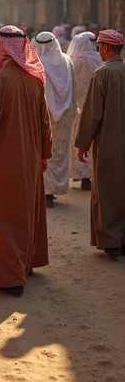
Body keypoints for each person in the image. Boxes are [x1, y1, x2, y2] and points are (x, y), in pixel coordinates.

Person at [0, 26, 52, 296]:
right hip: (29, 158)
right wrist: (45, 154)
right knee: (26, 211)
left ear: (2, 47)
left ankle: (10, 277)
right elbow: (44, 123)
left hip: (1, 161)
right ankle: (26, 265)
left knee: (2, 216)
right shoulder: (35, 80)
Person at [75, 29, 125, 260]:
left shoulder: (102, 74)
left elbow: (92, 114)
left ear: (105, 48)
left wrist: (82, 143)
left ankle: (111, 241)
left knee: (107, 191)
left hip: (109, 143)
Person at [35, 31, 77, 208]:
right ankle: (56, 188)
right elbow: (74, 87)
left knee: (45, 152)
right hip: (65, 114)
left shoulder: (37, 65)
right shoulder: (67, 61)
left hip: (44, 115)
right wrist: (72, 110)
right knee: (59, 152)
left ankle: (47, 193)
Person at [67, 31, 102, 191]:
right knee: (95, 139)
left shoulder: (74, 62)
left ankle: (81, 175)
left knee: (78, 139)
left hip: (78, 107)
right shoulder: (100, 60)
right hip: (96, 107)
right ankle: (93, 175)